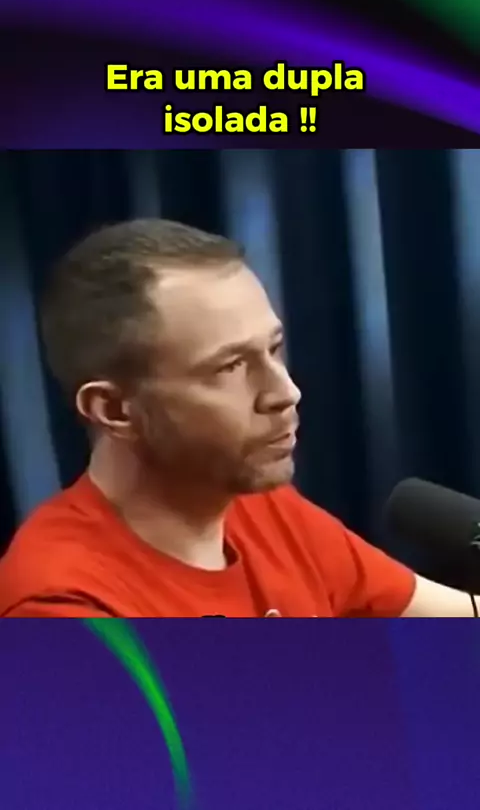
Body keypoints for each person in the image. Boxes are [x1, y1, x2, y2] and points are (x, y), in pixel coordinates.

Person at [0, 219, 476, 618]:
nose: (285, 393)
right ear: (114, 410)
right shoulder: (61, 605)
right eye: (229, 367)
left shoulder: (262, 508)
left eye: (274, 349)